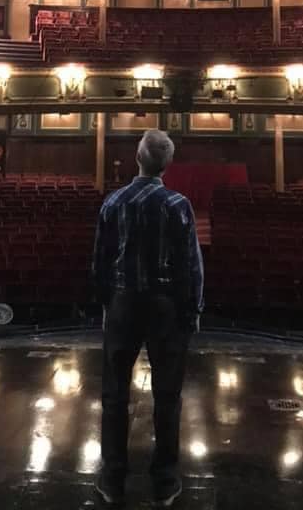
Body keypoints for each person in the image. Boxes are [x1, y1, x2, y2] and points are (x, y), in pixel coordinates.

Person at [92, 129, 204, 508]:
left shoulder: (113, 202)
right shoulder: (177, 204)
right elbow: (191, 264)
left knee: (114, 395)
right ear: (166, 164)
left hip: (123, 305)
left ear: (138, 158)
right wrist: (192, 311)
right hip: (165, 306)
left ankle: (113, 477)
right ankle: (165, 479)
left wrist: (106, 307)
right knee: (168, 397)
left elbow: (100, 263)